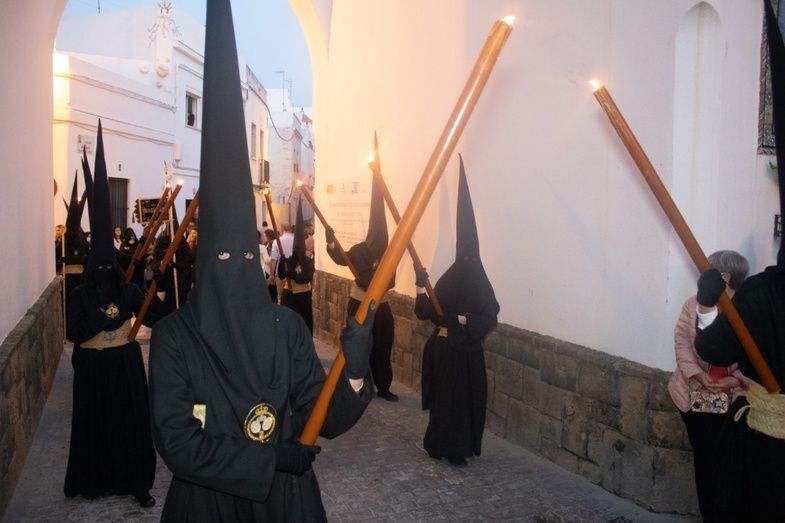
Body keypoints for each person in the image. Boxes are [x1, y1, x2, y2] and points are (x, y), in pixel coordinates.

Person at [148, 2, 374, 519]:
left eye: (246, 256)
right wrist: (269, 461)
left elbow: (322, 415)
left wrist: (355, 371)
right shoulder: (174, 338)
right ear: (205, 263)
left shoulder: (285, 329)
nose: (236, 266)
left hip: (284, 504)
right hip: (208, 505)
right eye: (223, 256)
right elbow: (178, 443)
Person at [65, 120, 167, 508]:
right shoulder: (80, 293)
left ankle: (135, 481)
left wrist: (159, 287)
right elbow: (75, 331)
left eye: (110, 267)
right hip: (93, 368)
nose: (105, 273)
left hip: (125, 365)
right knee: (95, 426)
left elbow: (157, 315)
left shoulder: (126, 290)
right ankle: (96, 480)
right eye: (100, 267)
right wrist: (107, 319)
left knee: (129, 424)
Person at [413, 157, 499, 466]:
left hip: (467, 355)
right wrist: (420, 286)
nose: (468, 261)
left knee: (463, 402)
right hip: (445, 351)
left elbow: (490, 316)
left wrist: (462, 320)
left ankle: (458, 449)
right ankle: (437, 443)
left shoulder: (480, 280)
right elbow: (424, 311)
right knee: (443, 401)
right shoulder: (448, 279)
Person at [667, 250, 749, 520]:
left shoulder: (748, 308)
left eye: (708, 270)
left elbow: (756, 354)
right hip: (694, 396)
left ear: (724, 277)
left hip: (735, 401)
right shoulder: (693, 305)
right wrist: (697, 374)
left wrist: (736, 379)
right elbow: (682, 342)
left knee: (729, 464)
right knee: (705, 461)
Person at [326, 168, 398, 401]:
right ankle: (358, 383)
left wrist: (376, 282)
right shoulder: (359, 250)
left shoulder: (389, 253)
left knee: (383, 346)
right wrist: (331, 243)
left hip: (382, 306)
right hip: (359, 303)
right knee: (359, 345)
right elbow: (341, 258)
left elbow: (390, 280)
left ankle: (383, 386)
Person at [278, 201, 315, 332]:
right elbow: (281, 275)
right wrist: (281, 262)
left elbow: (306, 278)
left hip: (303, 297)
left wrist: (292, 275)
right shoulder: (289, 259)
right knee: (288, 327)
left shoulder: (308, 261)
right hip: (288, 296)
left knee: (303, 325)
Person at [262, 228, 278, 303]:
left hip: (273, 269)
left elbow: (273, 258)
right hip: (268, 270)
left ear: (269, 236)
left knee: (273, 290)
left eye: (265, 236)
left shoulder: (273, 245)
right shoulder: (266, 245)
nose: (263, 237)